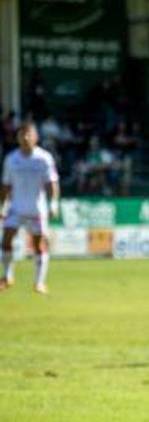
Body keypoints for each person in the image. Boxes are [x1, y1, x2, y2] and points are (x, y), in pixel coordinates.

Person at [1, 122, 60, 294]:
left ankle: (39, 282)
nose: (26, 138)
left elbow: (52, 183)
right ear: (18, 137)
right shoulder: (11, 159)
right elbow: (6, 185)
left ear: (36, 137)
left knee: (38, 244)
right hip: (16, 208)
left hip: (36, 210)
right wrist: (1, 206)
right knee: (5, 240)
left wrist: (53, 203)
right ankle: (7, 276)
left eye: (29, 135)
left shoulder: (44, 158)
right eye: (22, 135)